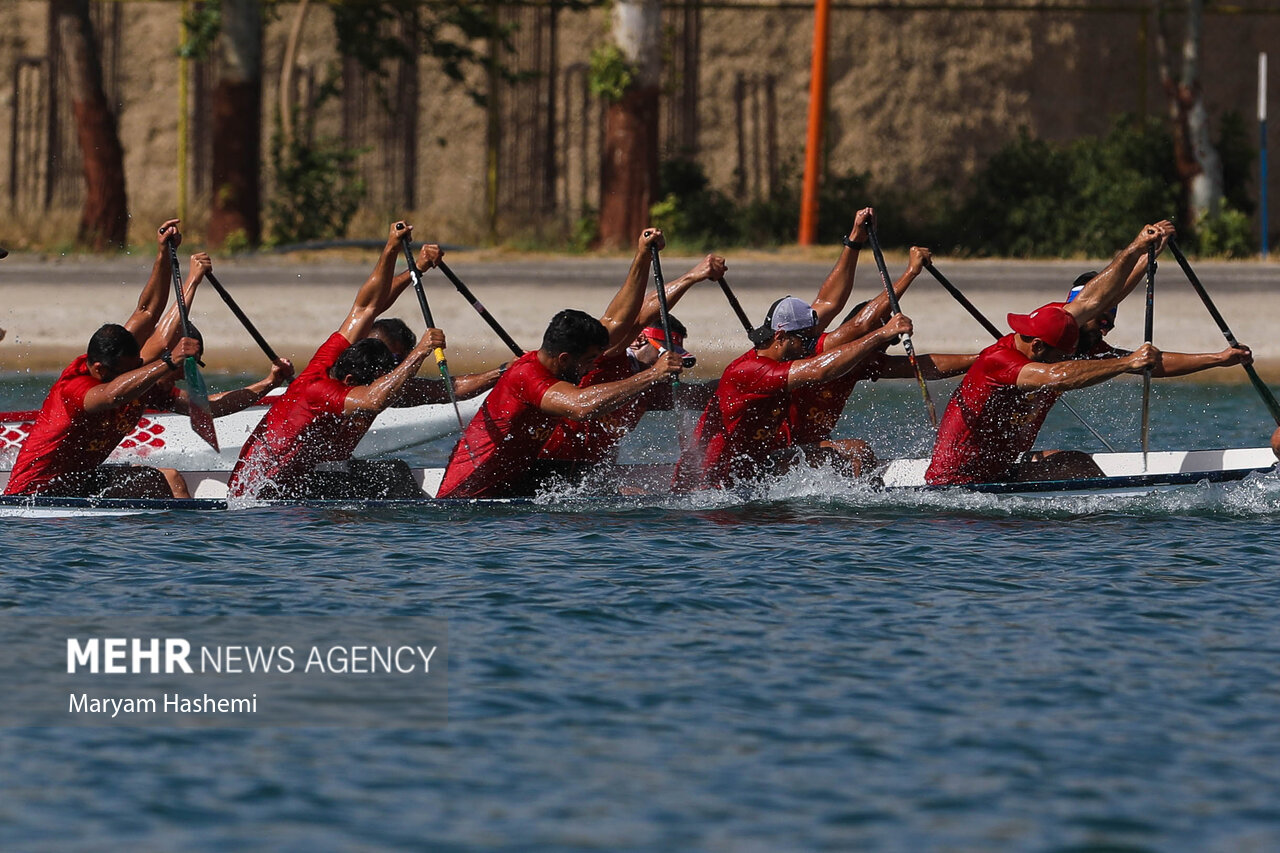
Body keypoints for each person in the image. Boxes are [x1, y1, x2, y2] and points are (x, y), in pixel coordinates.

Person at [924, 221, 1250, 486]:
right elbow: (1058, 375)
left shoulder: (1062, 330)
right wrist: (1126, 360)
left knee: (1079, 464)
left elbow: (1101, 304)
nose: (1106, 327)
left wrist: (1144, 255)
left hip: (999, 471)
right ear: (1038, 347)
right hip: (958, 485)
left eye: (1111, 320)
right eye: (1102, 322)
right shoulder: (1007, 358)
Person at [5, 223, 292, 498]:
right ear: (99, 369)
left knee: (168, 478)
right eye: (133, 368)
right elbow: (113, 395)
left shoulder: (131, 372)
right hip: (34, 494)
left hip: (77, 482)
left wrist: (164, 255)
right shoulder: (78, 387)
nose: (140, 367)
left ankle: (182, 546)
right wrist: (170, 356)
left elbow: (147, 313)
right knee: (159, 480)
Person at [435, 228, 683, 499]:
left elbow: (617, 321)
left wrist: (642, 256)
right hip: (463, 506)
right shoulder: (529, 376)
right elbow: (581, 407)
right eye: (589, 361)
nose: (591, 369)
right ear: (565, 358)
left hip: (511, 492)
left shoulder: (553, 365)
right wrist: (652, 375)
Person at [227, 222, 449, 500]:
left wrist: (416, 266)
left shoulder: (338, 362)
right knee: (393, 476)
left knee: (390, 472)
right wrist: (392, 247)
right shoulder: (329, 386)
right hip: (263, 499)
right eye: (391, 359)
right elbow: (373, 396)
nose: (391, 368)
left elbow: (368, 306)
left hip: (295, 483)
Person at [534, 253, 726, 481]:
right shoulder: (607, 356)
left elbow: (703, 393)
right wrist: (692, 277)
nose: (671, 363)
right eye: (663, 352)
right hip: (543, 464)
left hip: (587, 476)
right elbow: (640, 315)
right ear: (638, 341)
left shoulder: (650, 388)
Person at [787, 247, 977, 475]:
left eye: (889, 341)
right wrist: (911, 273)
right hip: (782, 450)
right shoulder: (826, 349)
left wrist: (982, 359)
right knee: (859, 452)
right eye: (882, 336)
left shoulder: (865, 364)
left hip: (811, 448)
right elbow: (862, 324)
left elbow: (925, 365)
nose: (882, 348)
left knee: (857, 454)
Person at [367, 317, 504, 406]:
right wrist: (421, 351)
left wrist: (503, 370)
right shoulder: (349, 377)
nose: (382, 365)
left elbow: (449, 390)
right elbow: (367, 306)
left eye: (395, 361)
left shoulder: (395, 388)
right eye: (375, 355)